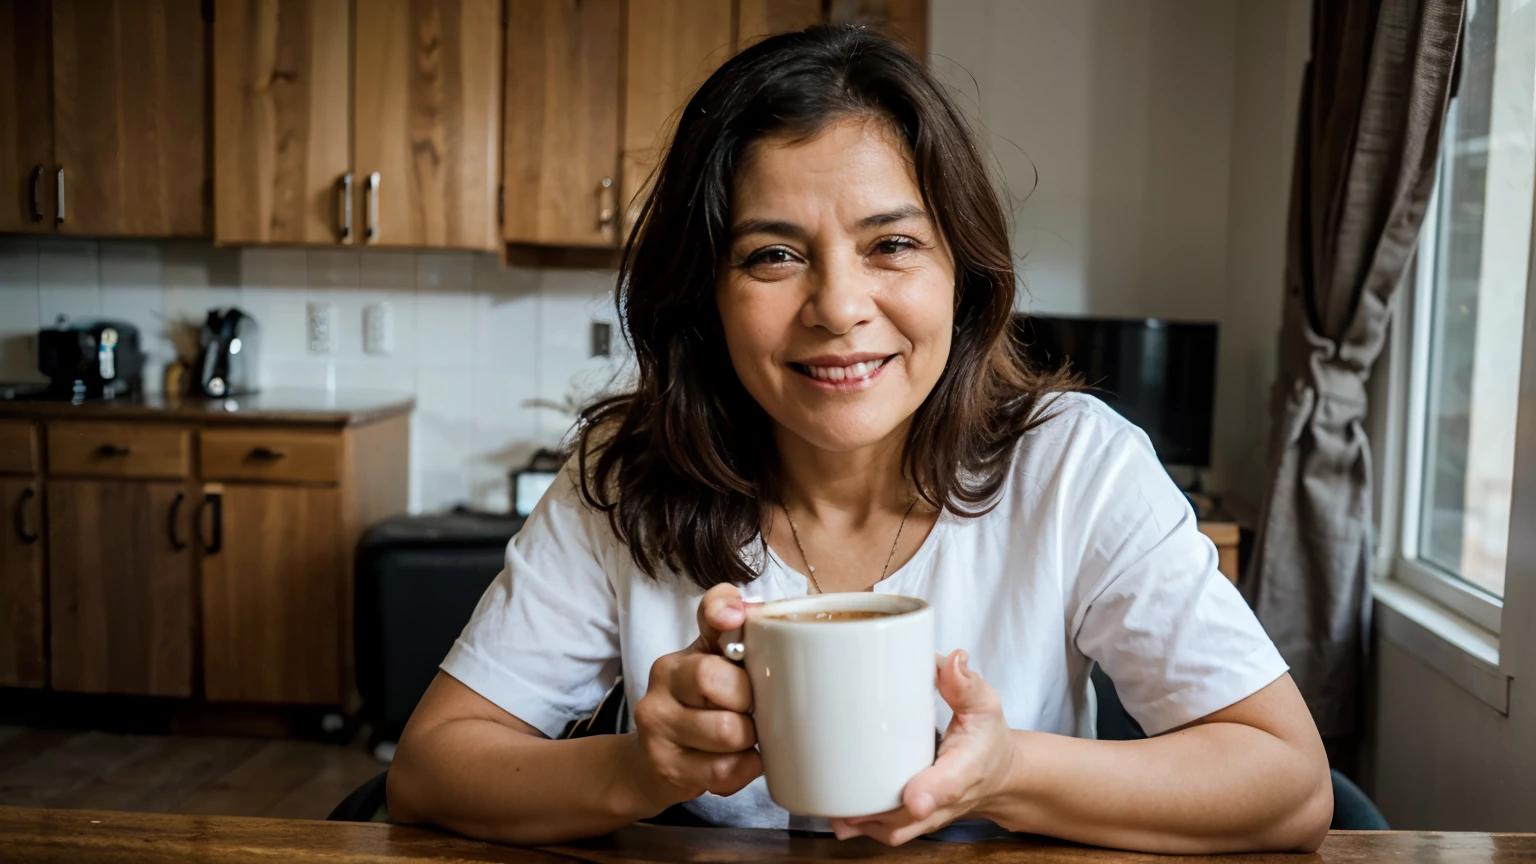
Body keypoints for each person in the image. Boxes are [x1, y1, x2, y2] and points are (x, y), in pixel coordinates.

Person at [386, 24, 1332, 852]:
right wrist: (646, 767)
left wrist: (1006, 773)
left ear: (962, 273)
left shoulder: (1075, 466)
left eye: (892, 245)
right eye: (773, 256)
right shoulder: (627, 478)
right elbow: (430, 769)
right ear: (705, 299)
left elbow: (1288, 784)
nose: (839, 309)